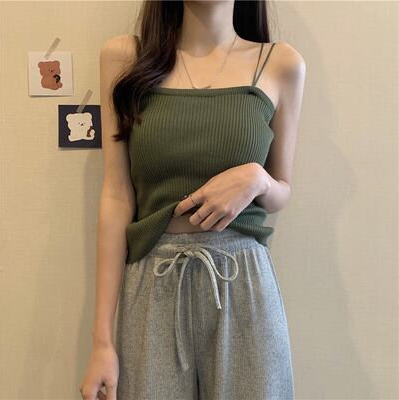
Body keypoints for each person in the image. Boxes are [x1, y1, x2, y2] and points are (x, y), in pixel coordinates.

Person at [79, 1, 306, 399]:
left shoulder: (280, 63)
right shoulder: (125, 59)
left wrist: (256, 179)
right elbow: (116, 195)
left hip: (243, 284)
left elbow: (281, 189)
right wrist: (101, 340)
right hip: (153, 280)